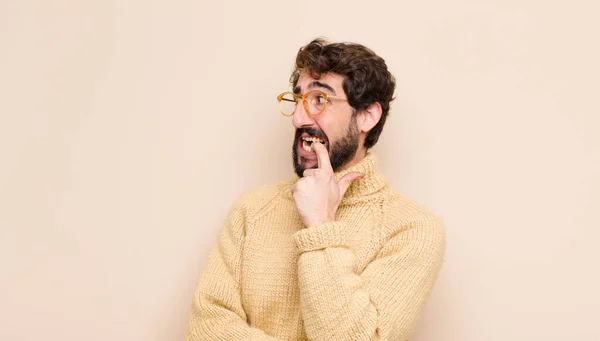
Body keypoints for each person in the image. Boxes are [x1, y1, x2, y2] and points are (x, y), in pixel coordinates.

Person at [184, 38, 446, 341]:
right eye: (298, 100)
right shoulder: (252, 209)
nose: (299, 118)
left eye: (320, 99)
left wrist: (321, 225)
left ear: (367, 116)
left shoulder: (412, 228)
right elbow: (205, 327)